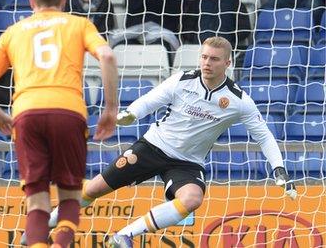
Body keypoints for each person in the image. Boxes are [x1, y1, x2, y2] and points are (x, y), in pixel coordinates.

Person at [45, 37, 298, 248]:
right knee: (93, 189)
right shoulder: (182, 80)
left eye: (214, 59)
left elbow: (264, 135)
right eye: (204, 57)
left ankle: (124, 236)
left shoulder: (239, 101)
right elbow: (150, 100)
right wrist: (129, 114)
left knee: (192, 199)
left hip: (187, 162)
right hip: (153, 147)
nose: (207, 63)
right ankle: (44, 224)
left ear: (228, 63)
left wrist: (278, 168)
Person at [0, 0, 119, 247]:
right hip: (68, 111)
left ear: (31, 0)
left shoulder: (14, 31)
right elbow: (106, 55)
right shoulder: (79, 24)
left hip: (27, 112)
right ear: (64, 0)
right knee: (70, 197)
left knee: (37, 202)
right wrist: (110, 109)